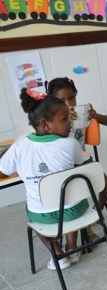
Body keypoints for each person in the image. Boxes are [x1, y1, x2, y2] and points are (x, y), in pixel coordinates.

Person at [0, 89, 87, 270]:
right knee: (70, 197)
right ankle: (72, 246)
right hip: (73, 212)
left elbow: (4, 170)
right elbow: (84, 165)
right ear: (45, 124)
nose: (70, 123)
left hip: (42, 215)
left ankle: (57, 254)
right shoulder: (70, 143)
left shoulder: (20, 146)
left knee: (35, 220)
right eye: (64, 120)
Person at [47, 77, 107, 241]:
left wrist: (95, 115)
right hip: (61, 166)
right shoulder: (51, 121)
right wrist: (64, 120)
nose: (69, 103)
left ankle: (96, 212)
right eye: (61, 100)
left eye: (72, 98)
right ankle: (77, 229)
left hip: (82, 161)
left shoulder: (81, 114)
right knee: (73, 194)